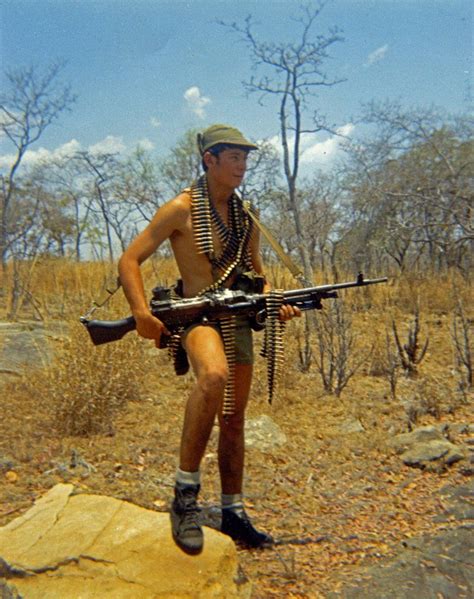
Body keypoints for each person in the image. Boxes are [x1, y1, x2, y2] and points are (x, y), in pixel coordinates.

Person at [118, 124, 300, 555]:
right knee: (214, 376)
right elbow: (129, 260)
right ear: (209, 160)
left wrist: (277, 301)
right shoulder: (181, 208)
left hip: (235, 317)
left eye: (246, 158)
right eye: (233, 157)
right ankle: (185, 497)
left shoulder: (246, 215)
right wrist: (142, 313)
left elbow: (258, 275)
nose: (242, 165)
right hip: (195, 315)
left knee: (235, 419)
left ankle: (233, 512)